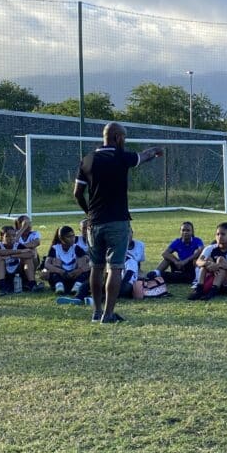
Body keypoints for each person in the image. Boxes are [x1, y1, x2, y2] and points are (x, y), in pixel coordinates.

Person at [73, 121, 163, 323]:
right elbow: (145, 156)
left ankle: (96, 311)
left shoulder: (87, 159)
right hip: (117, 222)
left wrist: (89, 213)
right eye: (124, 137)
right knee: (115, 267)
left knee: (95, 267)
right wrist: (155, 150)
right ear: (118, 138)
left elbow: (77, 194)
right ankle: (108, 314)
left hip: (94, 223)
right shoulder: (122, 156)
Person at [188, 221, 227, 300]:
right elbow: (198, 262)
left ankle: (213, 291)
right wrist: (208, 263)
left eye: (223, 234)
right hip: (215, 279)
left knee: (221, 260)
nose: (219, 237)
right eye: (217, 234)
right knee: (206, 261)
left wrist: (217, 265)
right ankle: (199, 289)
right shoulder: (210, 248)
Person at [44, 225, 90, 297]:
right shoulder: (55, 248)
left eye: (73, 236)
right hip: (61, 275)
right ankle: (59, 286)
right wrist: (60, 271)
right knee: (54, 268)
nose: (72, 239)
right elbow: (47, 264)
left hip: (74, 275)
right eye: (69, 237)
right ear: (61, 238)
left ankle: (77, 286)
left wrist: (79, 270)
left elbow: (90, 263)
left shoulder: (76, 248)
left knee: (84, 271)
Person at [0, 224, 34, 295]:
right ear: (2, 237)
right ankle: (3, 287)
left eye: (14, 236)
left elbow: (31, 253)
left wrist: (12, 256)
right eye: (7, 236)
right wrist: (19, 251)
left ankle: (32, 284)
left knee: (28, 259)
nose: (11, 238)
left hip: (17, 274)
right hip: (3, 274)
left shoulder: (18, 245)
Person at [13, 214, 44, 291]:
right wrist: (23, 229)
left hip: (32, 260)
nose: (28, 225)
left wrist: (20, 248)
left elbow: (36, 243)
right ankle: (30, 283)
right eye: (25, 223)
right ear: (19, 225)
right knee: (29, 252)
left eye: (29, 223)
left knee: (32, 251)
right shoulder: (14, 234)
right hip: (17, 262)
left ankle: (30, 282)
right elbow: (13, 243)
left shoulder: (34, 233)